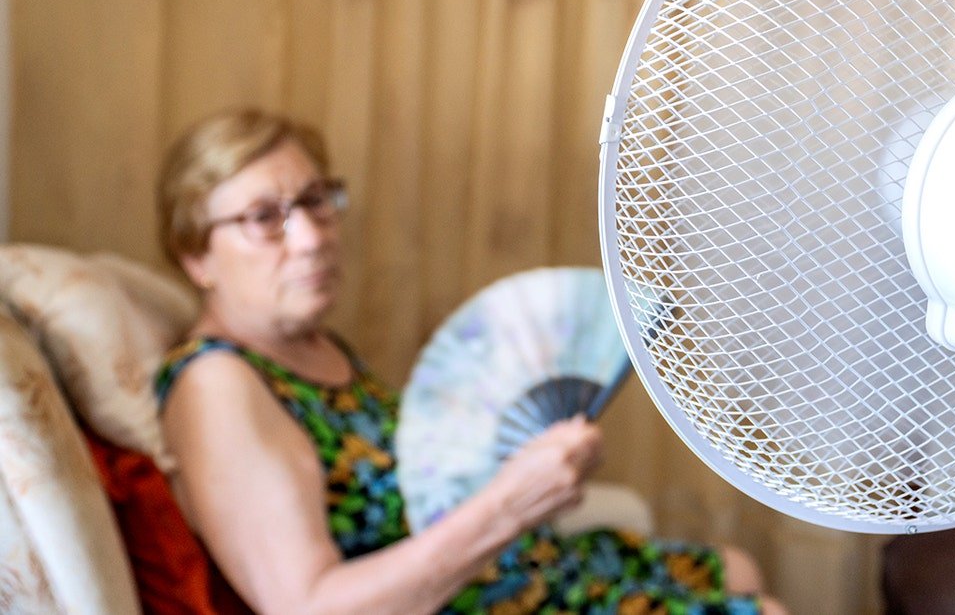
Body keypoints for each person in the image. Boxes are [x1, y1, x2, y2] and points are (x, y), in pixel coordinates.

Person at [155, 107, 786, 615]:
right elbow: (309, 605)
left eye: (317, 200)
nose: (313, 236)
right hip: (464, 598)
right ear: (197, 257)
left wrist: (523, 473)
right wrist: (510, 503)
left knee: (739, 567)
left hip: (509, 570)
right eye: (265, 218)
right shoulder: (217, 382)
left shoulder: (317, 348)